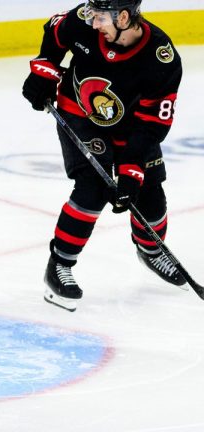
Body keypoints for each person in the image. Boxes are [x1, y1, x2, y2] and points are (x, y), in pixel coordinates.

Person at [21, 0, 184, 311]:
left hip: (132, 128)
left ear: (124, 17)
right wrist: (44, 72)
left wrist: (132, 169)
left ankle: (151, 250)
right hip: (79, 112)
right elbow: (55, 35)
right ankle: (59, 264)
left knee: (148, 191)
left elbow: (152, 123)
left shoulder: (161, 58)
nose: (93, 23)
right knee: (93, 187)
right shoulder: (84, 18)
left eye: (101, 18)